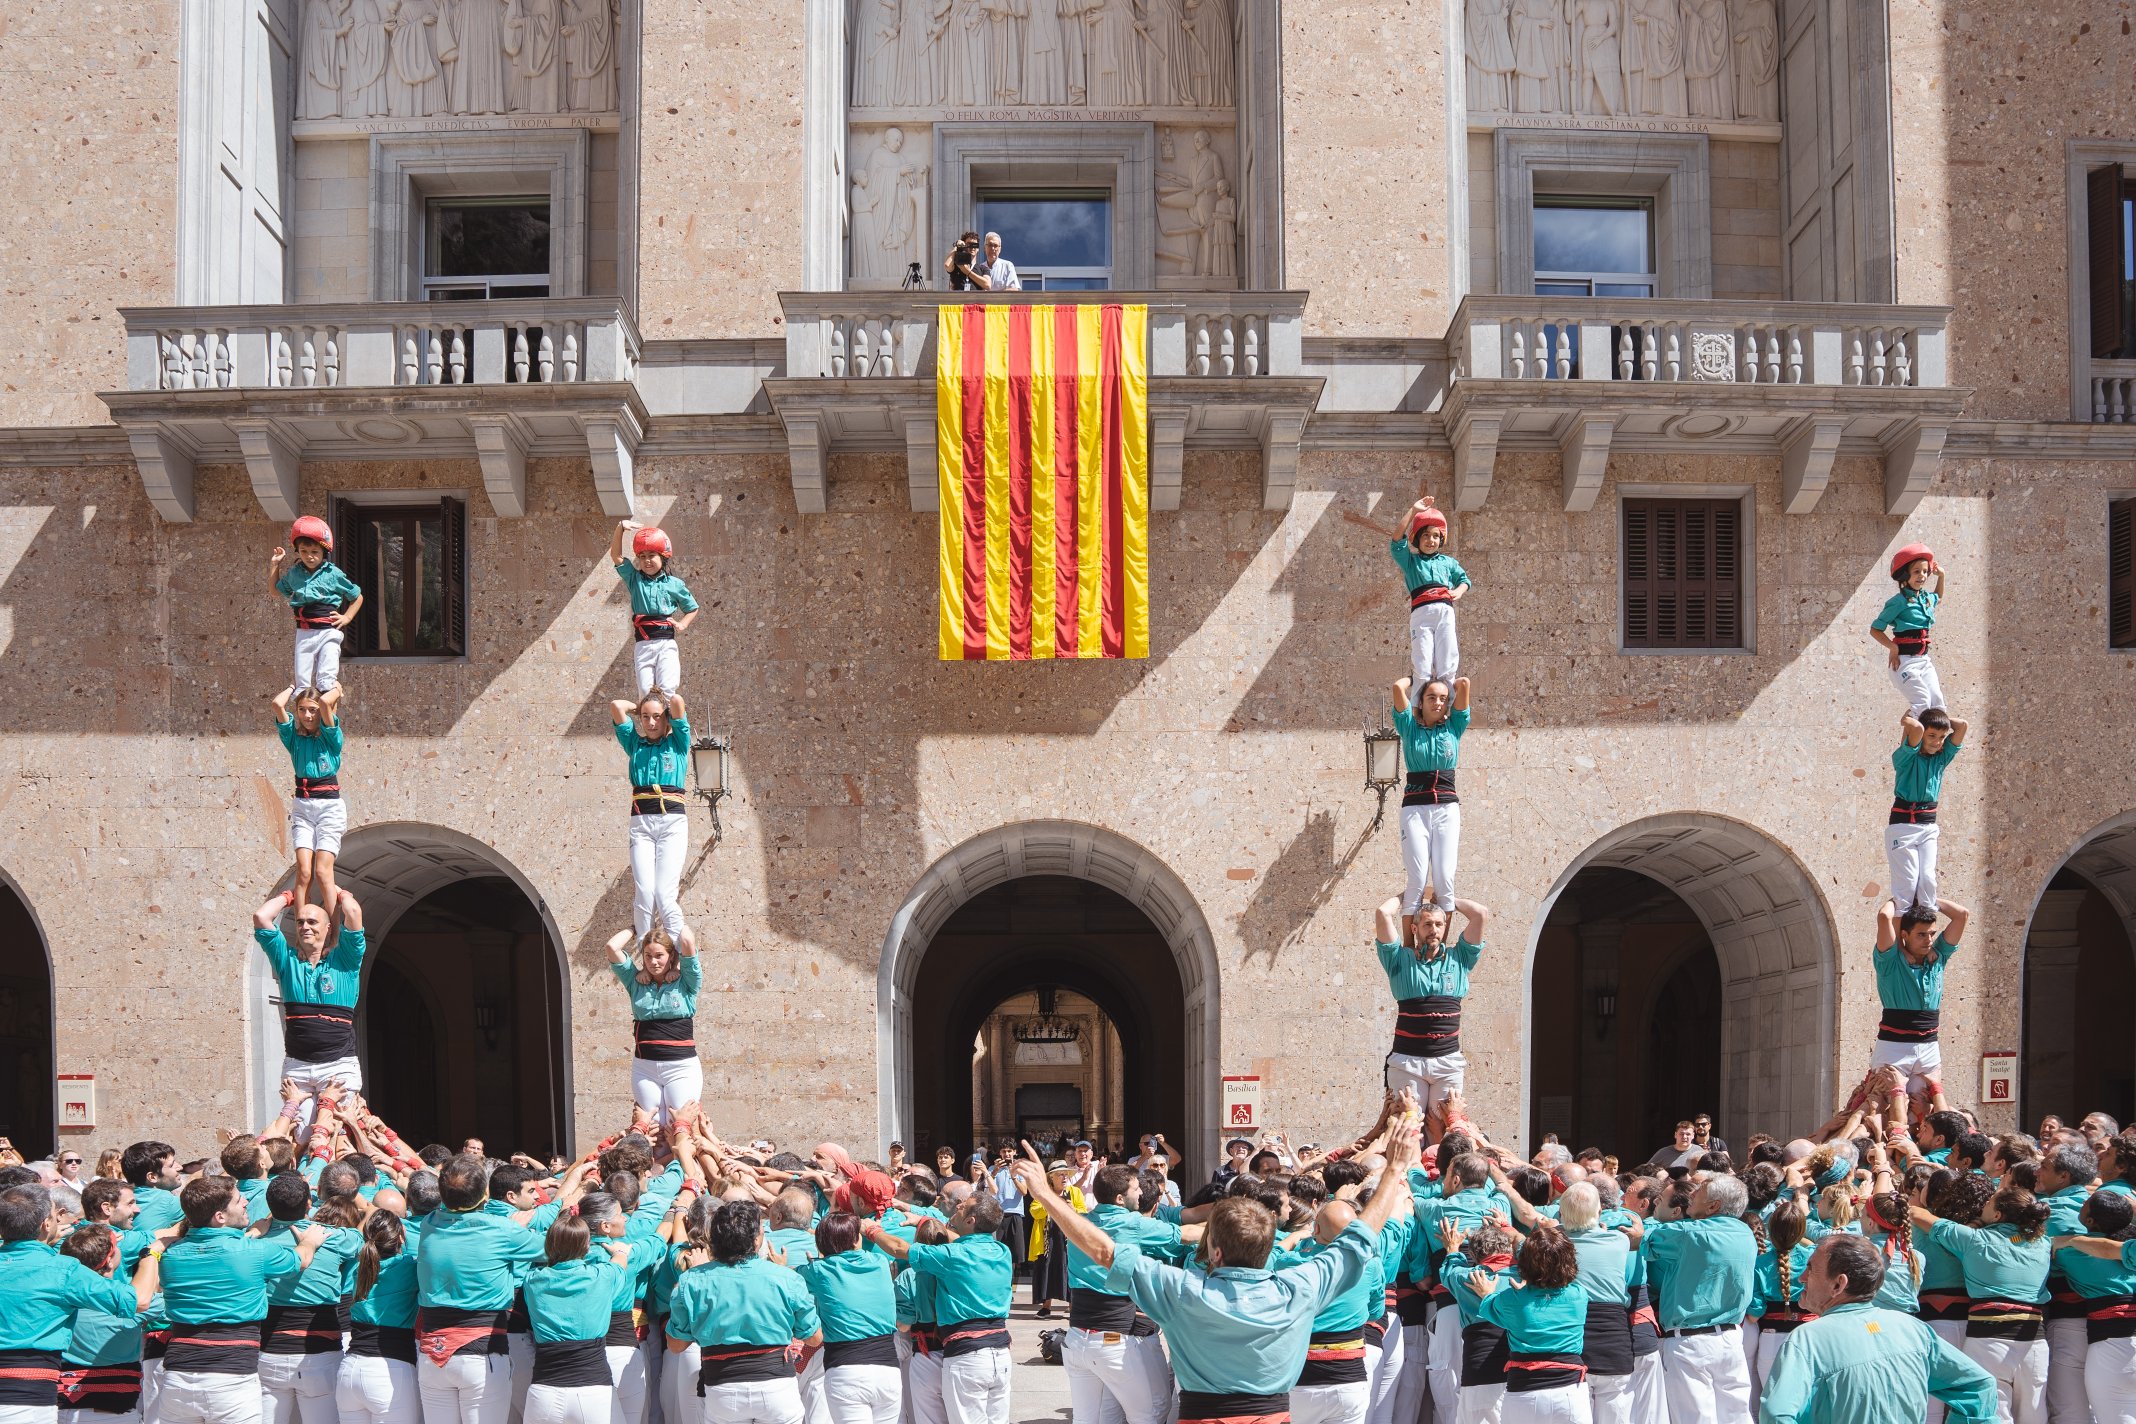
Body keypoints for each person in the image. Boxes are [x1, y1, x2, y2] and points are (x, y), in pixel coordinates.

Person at [1011, 1114, 1421, 1424]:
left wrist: (1048, 1194)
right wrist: (1397, 1170)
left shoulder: (1184, 1292)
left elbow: (1102, 1250)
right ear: (1270, 1246)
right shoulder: (1301, 1285)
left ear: (1216, 1252)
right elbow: (1359, 1238)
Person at [1758, 1233, 1997, 1424]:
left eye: (1810, 1269)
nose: (1801, 1277)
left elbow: (1776, 1414)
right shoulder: (1912, 1328)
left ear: (1838, 1284)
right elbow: (1979, 1387)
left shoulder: (1807, 1338)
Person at [158, 1176, 329, 1424]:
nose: (247, 1201)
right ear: (220, 1217)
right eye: (239, 1200)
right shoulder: (254, 1251)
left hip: (176, 1378)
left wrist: (251, 1234)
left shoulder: (170, 1255)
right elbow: (299, 1259)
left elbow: (216, 1253)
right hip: (231, 1379)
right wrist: (310, 1241)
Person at [0, 1184, 152, 1424]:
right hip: (27, 1399)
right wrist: (151, 1257)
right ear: (46, 1224)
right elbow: (136, 1301)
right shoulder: (63, 1270)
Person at [414, 1153, 548, 1424]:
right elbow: (550, 1249)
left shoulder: (429, 1223)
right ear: (485, 1193)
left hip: (431, 1353)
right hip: (481, 1353)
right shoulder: (502, 1230)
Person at [862, 1193, 1015, 1424]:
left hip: (967, 1357)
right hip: (1001, 1355)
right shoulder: (1002, 1252)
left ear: (972, 1220)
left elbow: (899, 1248)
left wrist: (872, 1230)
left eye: (964, 1207)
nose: (959, 1205)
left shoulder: (952, 1256)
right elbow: (964, 1240)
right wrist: (925, 1221)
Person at [666, 1201, 822, 1424]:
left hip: (722, 1391)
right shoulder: (786, 1278)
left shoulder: (691, 1281)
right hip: (777, 1390)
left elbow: (676, 1345)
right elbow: (814, 1339)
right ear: (757, 1239)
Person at [1911, 1183, 2054, 1424]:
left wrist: (1974, 1223)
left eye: (1988, 1203)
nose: (1983, 1206)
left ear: (1997, 1215)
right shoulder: (2044, 1243)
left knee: (1994, 1414)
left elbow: (1916, 1213)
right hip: (2035, 1341)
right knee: (2035, 1414)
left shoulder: (1973, 1239)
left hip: (1989, 1340)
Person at [1059, 1165, 1186, 1424]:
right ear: (1120, 1198)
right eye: (1136, 1189)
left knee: (1091, 1418)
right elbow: (1184, 1235)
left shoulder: (1080, 1224)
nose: (1140, 1195)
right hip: (1112, 1341)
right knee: (1151, 1412)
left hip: (1076, 1340)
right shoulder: (1132, 1222)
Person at [249, 888, 369, 1139]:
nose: (305, 926)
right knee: (301, 1136)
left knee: (336, 1134)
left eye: (312, 921)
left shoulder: (345, 960)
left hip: (338, 1063)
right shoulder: (287, 960)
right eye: (301, 921)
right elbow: (261, 917)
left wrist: (338, 892)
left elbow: (354, 912)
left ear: (328, 928)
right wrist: (288, 897)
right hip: (298, 1065)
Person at [1643, 1172, 1759, 1424]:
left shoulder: (1688, 1233)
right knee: (1737, 1416)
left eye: (1700, 1191)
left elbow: (1642, 1240)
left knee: (1694, 1419)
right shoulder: (1746, 1233)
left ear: (1714, 1205)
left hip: (1690, 1343)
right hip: (1729, 1338)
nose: (1692, 1194)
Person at [1370, 894, 1488, 1124]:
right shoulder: (1398, 959)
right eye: (1427, 924)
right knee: (1405, 1126)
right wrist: (1409, 894)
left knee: (1446, 1126)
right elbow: (1383, 913)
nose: (1433, 929)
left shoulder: (1460, 959)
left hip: (1447, 1060)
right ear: (1414, 928)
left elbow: (1480, 914)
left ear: (1445, 927)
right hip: (1407, 1061)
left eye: (1438, 924)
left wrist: (1447, 897)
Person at [258, 1174, 363, 1424]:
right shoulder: (333, 1237)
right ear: (308, 1204)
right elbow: (359, 1238)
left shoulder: (255, 1238)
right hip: (319, 1355)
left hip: (268, 1352)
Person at [1462, 1223, 1590, 1424]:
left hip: (1524, 1394)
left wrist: (1488, 1293)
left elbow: (1489, 1307)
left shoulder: (1512, 1300)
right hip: (1570, 1393)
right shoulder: (1579, 1295)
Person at [795, 1214, 902, 1424]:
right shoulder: (880, 1262)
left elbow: (789, 1278)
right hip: (887, 1370)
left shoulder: (817, 1271)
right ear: (855, 1240)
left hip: (846, 1371)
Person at [610, 687, 692, 944]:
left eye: (656, 716)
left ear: (666, 717)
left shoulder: (677, 743)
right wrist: (640, 706)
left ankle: (680, 953)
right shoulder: (635, 743)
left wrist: (661, 706)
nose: (651, 722)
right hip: (641, 823)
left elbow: (678, 701)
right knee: (644, 891)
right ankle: (647, 950)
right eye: (645, 717)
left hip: (672, 823)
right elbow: (616, 706)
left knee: (664, 893)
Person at [2049, 1190, 2136, 1423]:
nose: (2082, 1201)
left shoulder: (2068, 1252)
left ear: (2089, 1221)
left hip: (2111, 1348)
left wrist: (2071, 1241)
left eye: (2085, 1202)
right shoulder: (2130, 1248)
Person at [1391, 672, 1470, 922]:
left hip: (1446, 808)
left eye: (1443, 699)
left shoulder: (1454, 728)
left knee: (1445, 878)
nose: (1438, 702)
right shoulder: (1409, 728)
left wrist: (1446, 680)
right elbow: (1396, 688)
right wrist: (1417, 677)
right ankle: (1407, 944)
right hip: (1415, 808)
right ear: (1421, 702)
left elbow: (1464, 684)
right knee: (1417, 878)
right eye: (1431, 697)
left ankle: (1441, 946)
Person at [603, 925, 702, 1125]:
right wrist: (637, 926)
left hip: (680, 1066)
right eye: (648, 956)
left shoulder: (686, 981)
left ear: (671, 955)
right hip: (644, 1066)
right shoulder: (635, 981)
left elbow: (688, 942)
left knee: (679, 1123)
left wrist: (671, 919)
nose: (653, 962)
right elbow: (611, 947)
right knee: (651, 1123)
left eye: (659, 955)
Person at [1873, 897, 1970, 1098]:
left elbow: (1961, 915)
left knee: (1923, 1110)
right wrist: (1902, 898)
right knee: (1885, 1106)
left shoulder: (1938, 957)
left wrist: (1929, 900)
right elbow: (1884, 916)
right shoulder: (1890, 961)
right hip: (1894, 1046)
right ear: (1905, 935)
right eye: (1921, 935)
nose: (1929, 940)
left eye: (1931, 934)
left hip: (1929, 1045)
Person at [269, 687, 348, 917]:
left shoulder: (331, 738)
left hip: (328, 808)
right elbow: (276, 704)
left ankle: (332, 931)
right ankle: (302, 927)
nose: (307, 715)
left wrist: (336, 689)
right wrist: (295, 686)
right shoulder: (294, 739)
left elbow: (325, 703)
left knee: (323, 873)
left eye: (312, 711)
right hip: (303, 807)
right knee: (304, 873)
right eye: (302, 710)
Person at [339, 1210, 420, 1424]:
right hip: (390, 1372)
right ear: (401, 1237)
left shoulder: (357, 1269)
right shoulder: (410, 1268)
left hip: (350, 1371)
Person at [270, 516, 364, 698]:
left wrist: (347, 617)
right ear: (298, 551)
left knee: (326, 680)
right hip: (304, 633)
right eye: (304, 551)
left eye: (314, 551)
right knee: (302, 684)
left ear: (323, 552)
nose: (309, 556)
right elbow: (275, 591)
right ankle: (306, 721)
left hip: (328, 631)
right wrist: (275, 565)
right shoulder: (295, 573)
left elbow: (357, 597)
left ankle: (330, 718)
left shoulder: (333, 574)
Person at [1888, 708, 1968, 916]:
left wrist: (1940, 718)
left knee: (1927, 878)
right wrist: (1910, 719)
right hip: (1903, 825)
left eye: (1942, 737)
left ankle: (1926, 923)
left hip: (1927, 825)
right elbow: (1915, 729)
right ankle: (1899, 931)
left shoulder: (1941, 759)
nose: (1937, 741)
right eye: (1931, 736)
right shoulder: (1905, 758)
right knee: (1907, 882)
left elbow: (1962, 726)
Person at [607, 523, 699, 697]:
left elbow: (692, 608)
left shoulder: (675, 584)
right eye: (642, 556)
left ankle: (673, 723)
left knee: (668, 689)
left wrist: (683, 624)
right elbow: (616, 555)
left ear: (663, 557)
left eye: (651, 555)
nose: (647, 560)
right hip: (643, 644)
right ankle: (649, 723)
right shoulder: (634, 579)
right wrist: (620, 528)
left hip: (666, 643)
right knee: (645, 691)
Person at [1389, 498, 1469, 688]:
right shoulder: (1411, 562)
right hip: (1421, 614)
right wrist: (1413, 511)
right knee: (1422, 661)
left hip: (1444, 611)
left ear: (1441, 539)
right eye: (1425, 535)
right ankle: (1418, 710)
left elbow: (1464, 580)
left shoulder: (1448, 562)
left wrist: (1459, 591)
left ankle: (1447, 706)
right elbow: (1396, 541)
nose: (1430, 540)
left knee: (1448, 660)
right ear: (1417, 538)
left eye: (1435, 536)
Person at [1871, 543, 1946, 715]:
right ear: (1906, 574)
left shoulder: (1926, 598)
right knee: (1922, 703)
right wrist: (1893, 647)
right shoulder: (1898, 602)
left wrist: (1941, 576)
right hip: (1905, 662)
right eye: (1916, 571)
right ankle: (1908, 742)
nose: (1922, 575)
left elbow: (1939, 597)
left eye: (1925, 571)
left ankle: (1933, 741)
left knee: (1938, 704)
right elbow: (1875, 629)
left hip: (1924, 660)